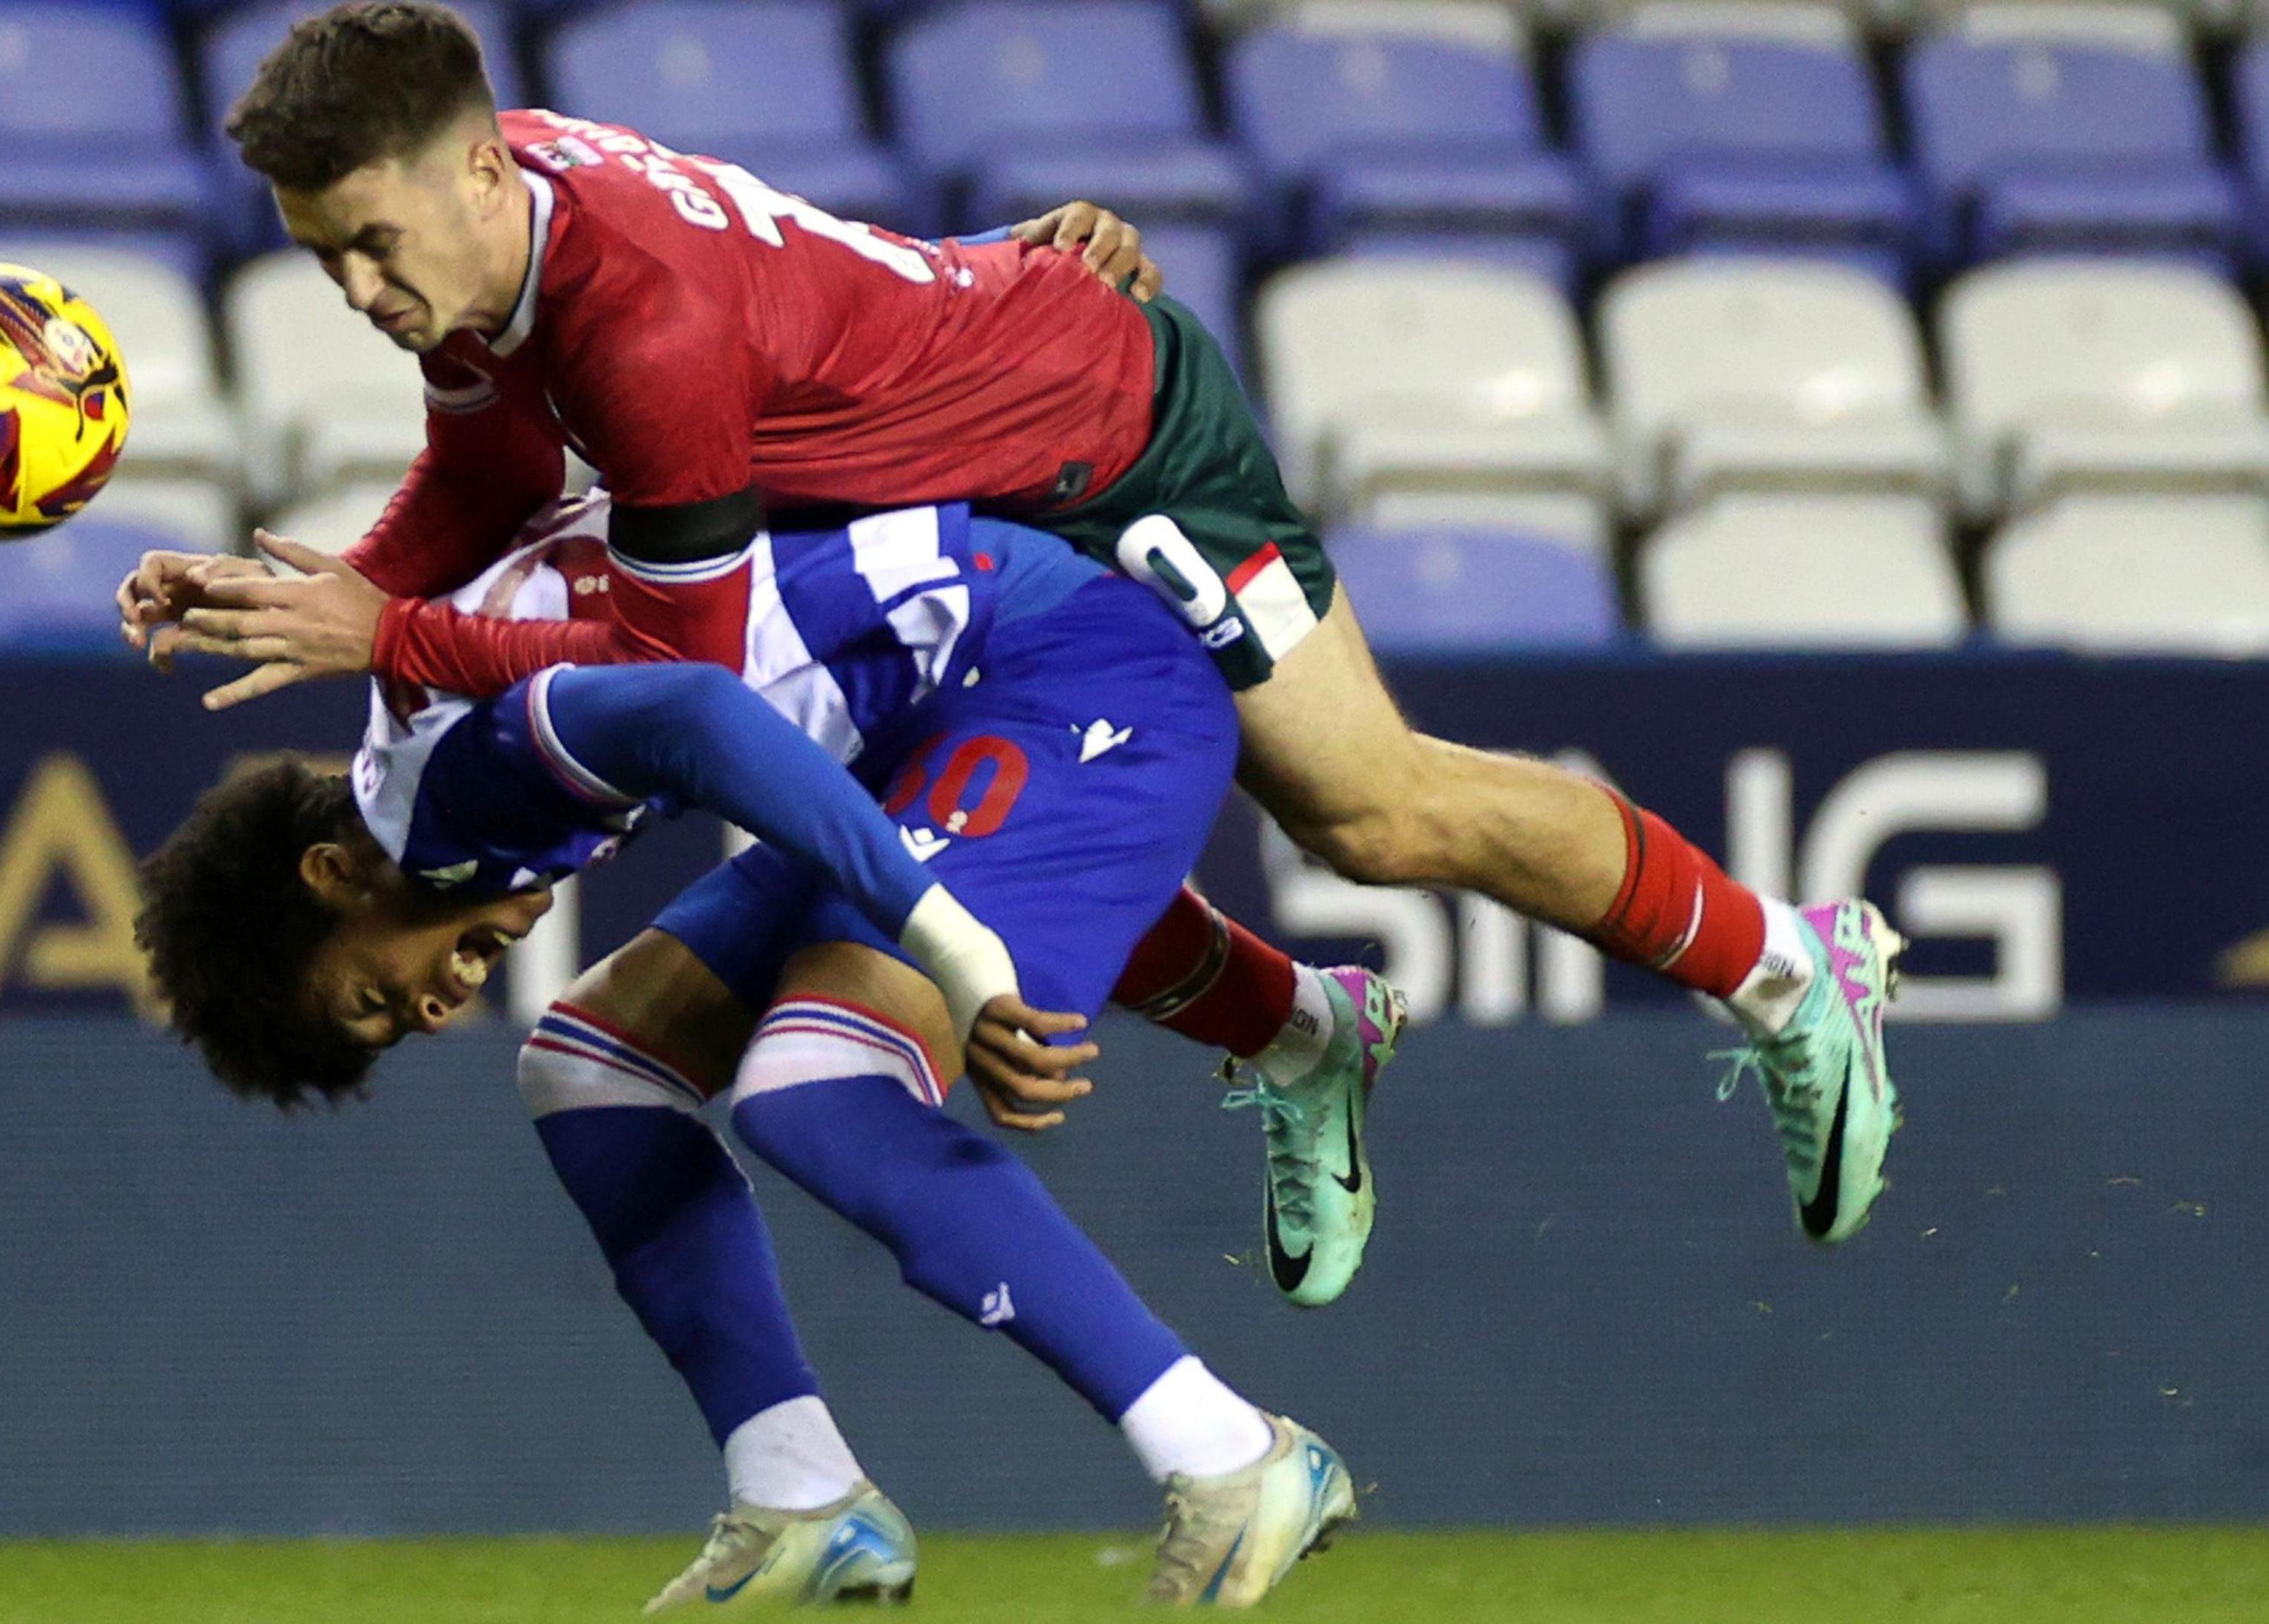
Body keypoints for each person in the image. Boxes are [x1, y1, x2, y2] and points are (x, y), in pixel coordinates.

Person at [135, 2, 1904, 1295]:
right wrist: (310, 599)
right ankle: (1300, 1035)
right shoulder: (494, 243)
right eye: (325, 263)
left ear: (473, 160)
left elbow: (673, 680)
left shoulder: (638, 328)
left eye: (370, 245)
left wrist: (398, 635)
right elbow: (495, 464)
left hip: (1101, 444)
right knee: (937, 810)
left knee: (1370, 816)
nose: (360, 294)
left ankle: (1782, 963)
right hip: (946, 464)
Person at [131, 497, 1365, 1607]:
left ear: (335, 875)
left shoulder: (464, 795)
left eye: (370, 1001)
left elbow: (693, 705)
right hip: (925, 718)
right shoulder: (422, 781)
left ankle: (1230, 1455)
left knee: (818, 1089)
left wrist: (952, 948)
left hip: (1054, 663)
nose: (430, 1013)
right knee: (587, 1066)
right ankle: (802, 1495)